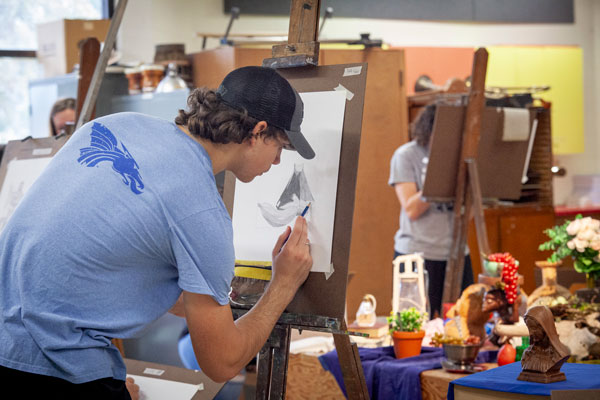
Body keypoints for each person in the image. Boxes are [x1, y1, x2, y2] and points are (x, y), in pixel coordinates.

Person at [0, 66, 314, 399]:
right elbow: (222, 363)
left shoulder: (114, 124)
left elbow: (92, 252)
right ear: (257, 132)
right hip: (59, 369)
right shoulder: (201, 210)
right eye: (281, 145)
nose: (279, 161)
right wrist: (283, 285)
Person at [388, 103, 473, 318]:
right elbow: (412, 209)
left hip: (456, 254)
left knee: (464, 322)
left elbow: (469, 213)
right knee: (415, 325)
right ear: (429, 128)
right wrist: (441, 173)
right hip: (417, 253)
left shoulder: (462, 155)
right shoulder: (406, 155)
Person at [520, 306, 570, 374]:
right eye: (529, 328)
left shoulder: (559, 354)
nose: (531, 332)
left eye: (534, 328)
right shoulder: (527, 354)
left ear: (545, 327)